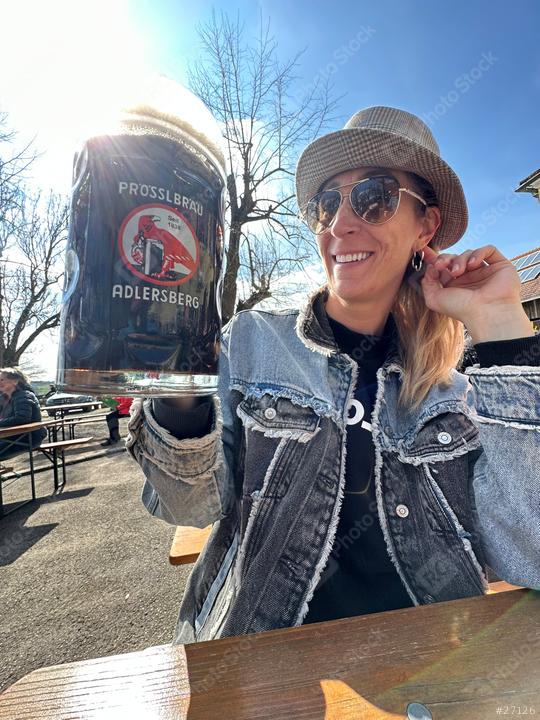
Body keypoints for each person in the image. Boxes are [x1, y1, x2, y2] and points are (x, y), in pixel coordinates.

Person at [126, 106, 540, 645]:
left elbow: (530, 552)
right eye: (328, 203)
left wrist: (501, 325)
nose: (342, 223)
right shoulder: (251, 343)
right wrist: (179, 388)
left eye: (373, 196)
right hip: (258, 664)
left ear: (427, 226)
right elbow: (188, 504)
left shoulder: (457, 393)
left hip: (432, 668)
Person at [0, 368, 48, 469]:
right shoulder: (3, 398)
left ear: (15, 381)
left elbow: (22, 419)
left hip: (28, 437)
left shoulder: (24, 395)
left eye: (2, 380)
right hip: (11, 437)